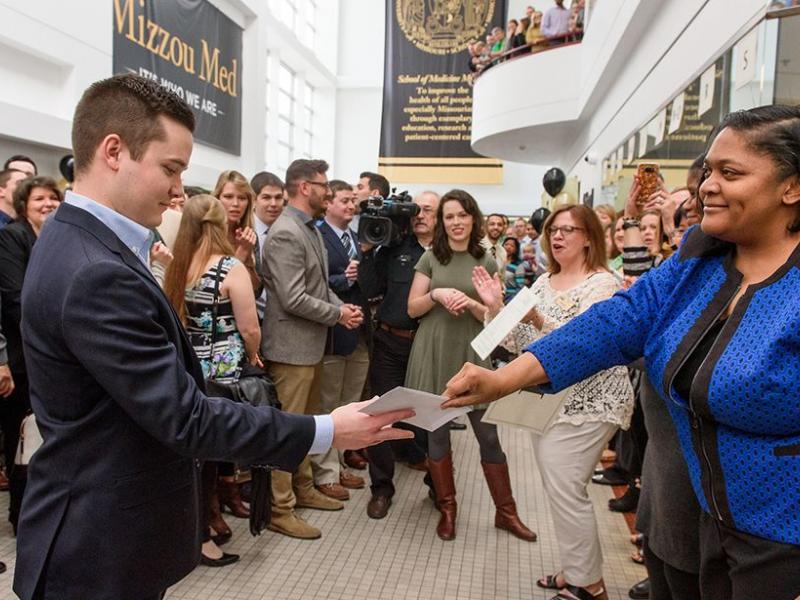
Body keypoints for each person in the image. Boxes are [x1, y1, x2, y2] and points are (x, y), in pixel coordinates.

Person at [13, 74, 413, 600]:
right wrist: (325, 430)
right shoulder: (94, 269)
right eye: (171, 169)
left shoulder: (74, 237)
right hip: (97, 544)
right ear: (114, 151)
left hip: (97, 524)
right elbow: (184, 417)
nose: (180, 190)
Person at [443, 105, 800, 600]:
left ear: (792, 187)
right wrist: (506, 378)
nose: (706, 186)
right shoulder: (699, 259)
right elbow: (615, 322)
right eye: (709, 170)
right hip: (684, 512)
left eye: (730, 173)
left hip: (775, 536)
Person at [478, 204, 634, 600]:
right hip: (548, 399)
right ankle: (576, 570)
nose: (558, 236)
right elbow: (517, 345)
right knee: (559, 488)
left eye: (569, 229)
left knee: (566, 487)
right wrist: (496, 307)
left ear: (588, 237)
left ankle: (590, 585)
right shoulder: (545, 282)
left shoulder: (603, 284)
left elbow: (588, 343)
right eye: (553, 229)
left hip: (590, 401)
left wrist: (535, 320)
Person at [406, 189, 535, 543]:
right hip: (434, 350)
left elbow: (496, 319)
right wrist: (436, 295)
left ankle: (506, 513)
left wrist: (475, 305)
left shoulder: (487, 260)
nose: (456, 222)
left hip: (474, 354)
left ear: (472, 218)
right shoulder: (431, 258)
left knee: (488, 436)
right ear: (441, 222)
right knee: (437, 434)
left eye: (462, 215)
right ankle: (447, 509)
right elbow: (412, 308)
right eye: (449, 216)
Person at [260, 158, 367, 540]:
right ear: (305, 187)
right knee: (287, 431)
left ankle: (303, 490)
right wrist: (337, 314)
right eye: (323, 185)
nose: (328, 191)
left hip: (310, 346)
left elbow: (318, 285)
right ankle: (280, 508)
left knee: (305, 427)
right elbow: (292, 298)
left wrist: (342, 305)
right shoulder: (287, 232)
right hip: (291, 349)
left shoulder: (308, 228)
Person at [163, 194, 263, 567]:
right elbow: (249, 327)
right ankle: (202, 536)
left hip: (185, 368)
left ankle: (193, 528)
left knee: (192, 456)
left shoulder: (177, 264)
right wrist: (254, 352)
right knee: (210, 456)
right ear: (222, 225)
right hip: (221, 374)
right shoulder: (230, 267)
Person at [358, 190, 440, 519]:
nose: (420, 215)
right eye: (416, 210)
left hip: (430, 347)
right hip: (391, 342)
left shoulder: (449, 256)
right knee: (381, 415)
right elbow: (368, 290)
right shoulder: (394, 250)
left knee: (432, 419)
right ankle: (381, 489)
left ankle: (439, 484)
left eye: (428, 210)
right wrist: (367, 252)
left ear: (439, 217)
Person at [0, 175, 62, 532]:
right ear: (24, 204)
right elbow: (16, 299)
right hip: (22, 358)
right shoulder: (12, 238)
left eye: (53, 199)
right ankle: (20, 515)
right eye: (40, 199)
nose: (47, 204)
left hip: (49, 355)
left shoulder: (53, 238)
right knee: (20, 438)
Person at [310, 180, 370, 500]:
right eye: (345, 201)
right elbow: (317, 283)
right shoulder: (319, 236)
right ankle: (325, 472)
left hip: (359, 332)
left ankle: (341, 463)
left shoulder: (357, 238)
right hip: (334, 331)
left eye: (353, 202)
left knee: (350, 404)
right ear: (329, 203)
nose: (351, 206)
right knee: (329, 405)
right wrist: (341, 279)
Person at [213, 170, 259, 291]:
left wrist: (248, 256)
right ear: (217, 198)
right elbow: (214, 290)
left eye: (242, 198)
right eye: (228, 197)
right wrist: (241, 254)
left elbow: (255, 290)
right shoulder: (205, 233)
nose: (235, 203)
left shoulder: (248, 236)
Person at [250, 170, 286, 320]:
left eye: (278, 198)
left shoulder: (287, 233)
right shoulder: (244, 232)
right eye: (266, 197)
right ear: (254, 199)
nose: (273, 204)